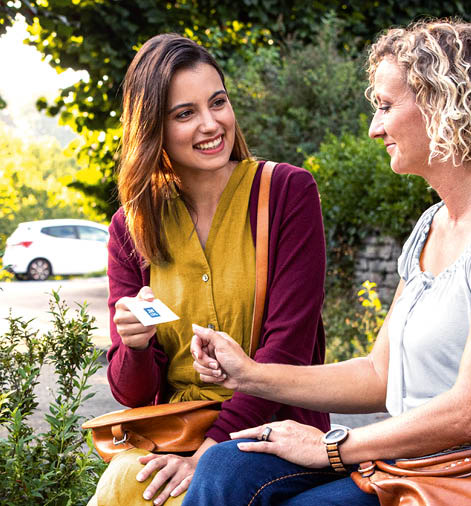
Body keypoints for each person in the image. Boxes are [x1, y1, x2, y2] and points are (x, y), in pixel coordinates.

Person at [184, 19, 471, 505]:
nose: (375, 128)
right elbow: (379, 375)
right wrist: (247, 373)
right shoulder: (432, 226)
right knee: (225, 464)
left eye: (386, 106)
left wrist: (330, 446)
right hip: (413, 464)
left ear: (443, 104)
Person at [90, 33, 330, 506]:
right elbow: (131, 393)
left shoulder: (285, 193)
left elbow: (289, 351)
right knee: (122, 482)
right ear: (152, 128)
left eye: (217, 102)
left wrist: (207, 451)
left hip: (274, 432)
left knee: (186, 486)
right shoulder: (132, 227)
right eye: (185, 114)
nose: (210, 124)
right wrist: (135, 347)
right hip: (176, 432)